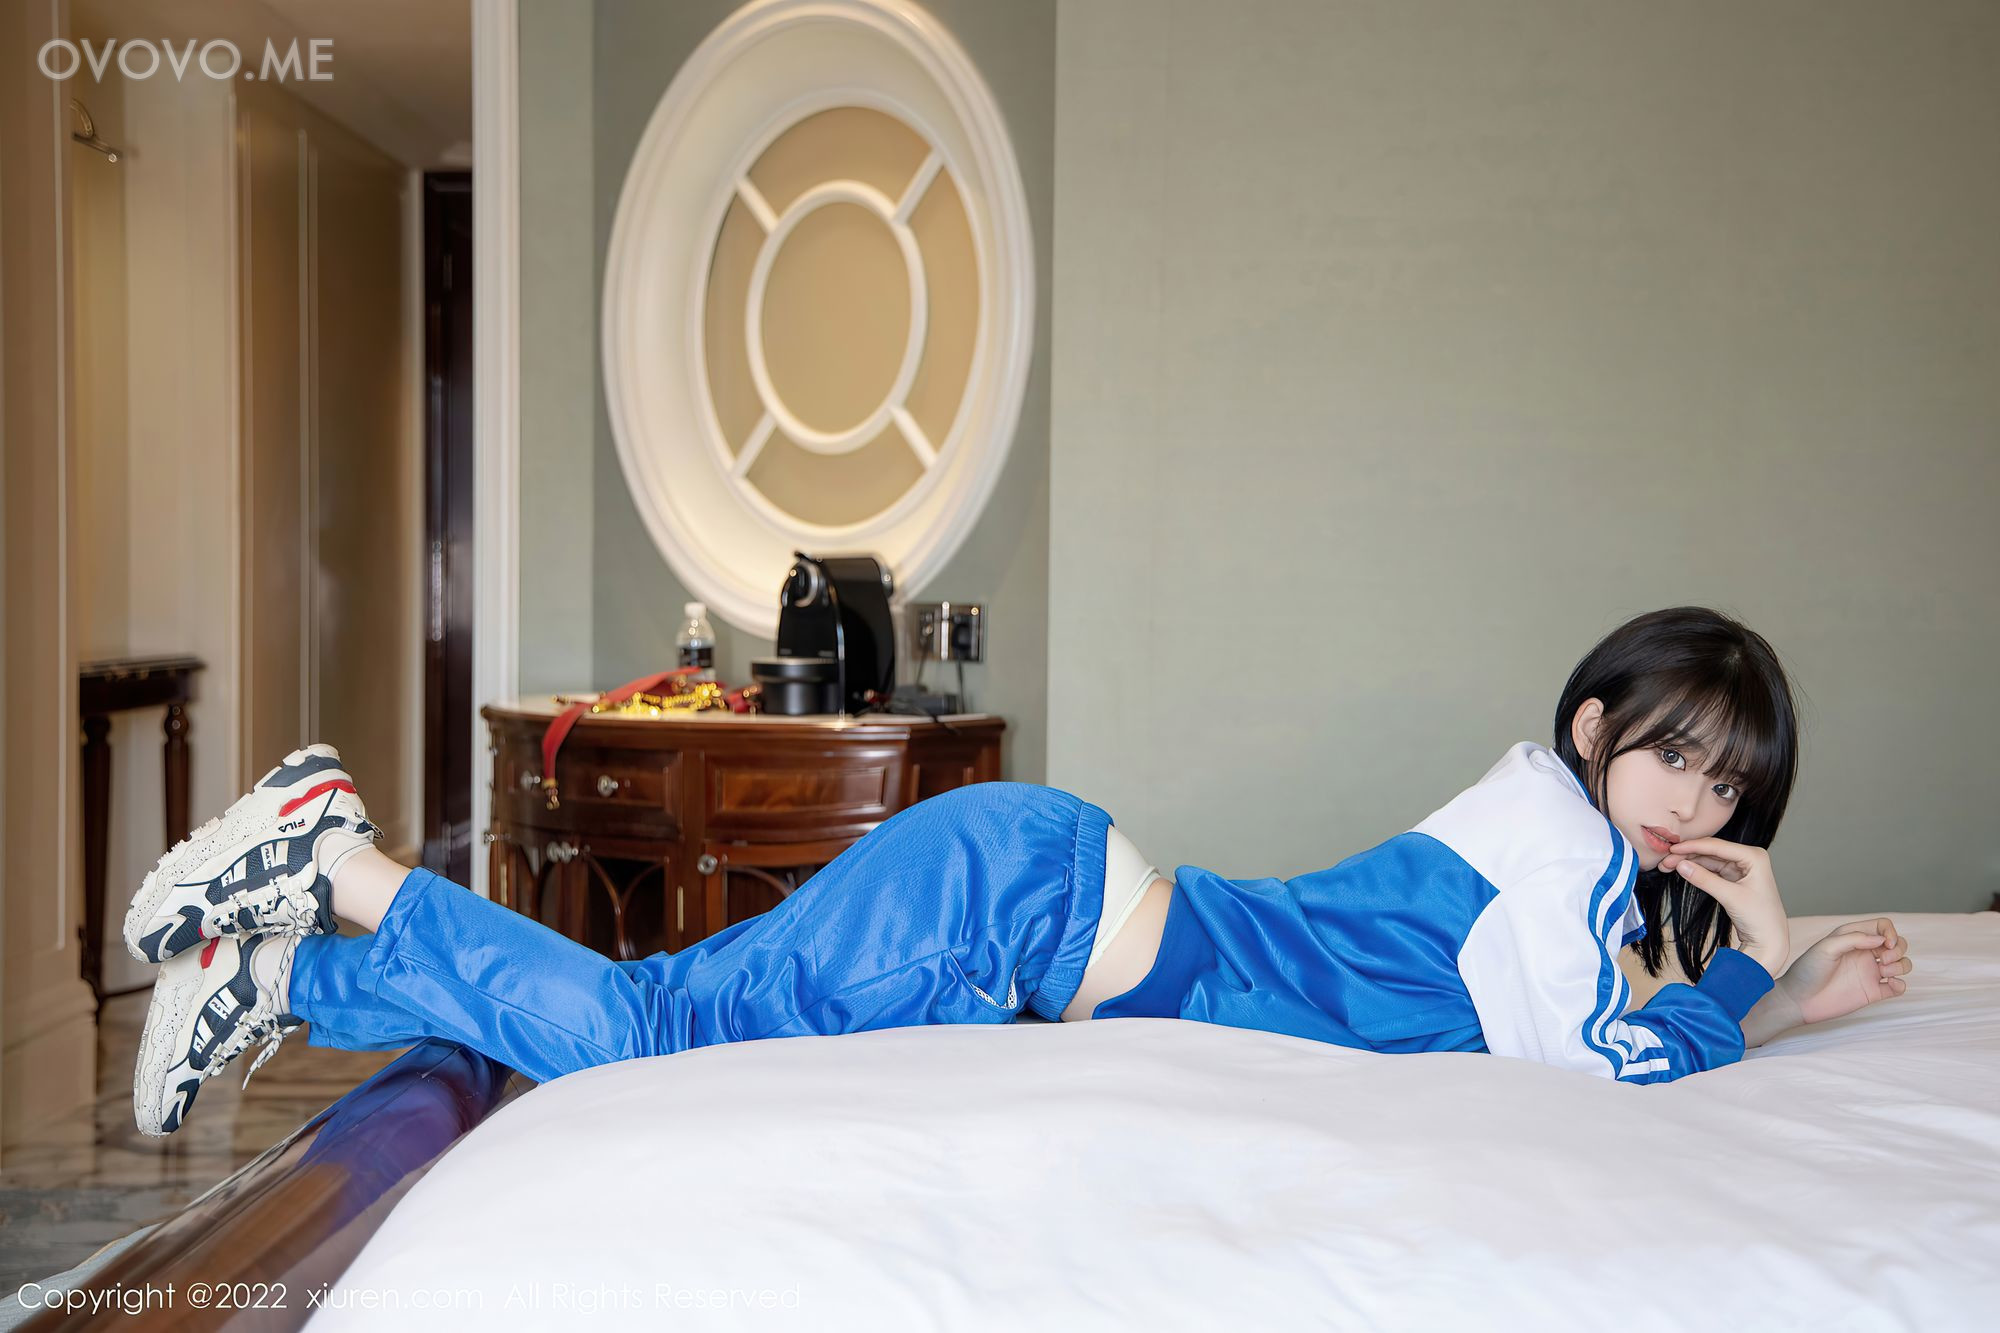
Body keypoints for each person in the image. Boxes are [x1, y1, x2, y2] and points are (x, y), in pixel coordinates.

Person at [127, 606, 1913, 1136]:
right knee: (647, 1034)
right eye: (1674, 754)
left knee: (657, 1013)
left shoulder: (1559, 858)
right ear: (1596, 726)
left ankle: (288, 974)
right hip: (1032, 908)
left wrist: (1780, 989)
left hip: (1036, 898)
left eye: (1726, 780)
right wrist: (1759, 970)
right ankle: (339, 851)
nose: (1690, 800)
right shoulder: (1562, 846)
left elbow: (1589, 1027)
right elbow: (1615, 1061)